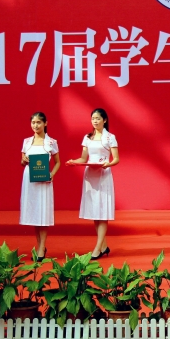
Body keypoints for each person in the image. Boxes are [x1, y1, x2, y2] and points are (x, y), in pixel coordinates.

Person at [66, 108, 119, 260]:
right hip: (90, 175)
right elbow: (83, 158)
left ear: (104, 120)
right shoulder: (87, 137)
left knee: (102, 211)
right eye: (93, 119)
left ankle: (97, 248)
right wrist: (74, 162)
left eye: (98, 118)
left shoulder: (110, 137)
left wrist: (107, 164)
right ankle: (104, 246)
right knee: (96, 211)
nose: (95, 121)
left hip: (103, 175)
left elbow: (116, 158)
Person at [20, 112, 60, 262]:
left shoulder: (51, 142)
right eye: (33, 122)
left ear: (45, 123)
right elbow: (22, 161)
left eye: (38, 122)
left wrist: (52, 174)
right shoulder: (26, 141)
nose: (35, 125)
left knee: (43, 213)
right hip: (29, 180)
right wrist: (24, 160)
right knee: (35, 214)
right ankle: (38, 246)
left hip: (44, 181)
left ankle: (42, 247)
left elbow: (58, 162)